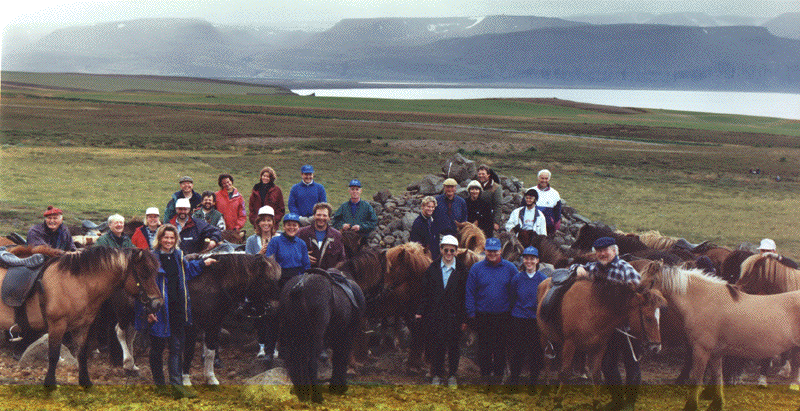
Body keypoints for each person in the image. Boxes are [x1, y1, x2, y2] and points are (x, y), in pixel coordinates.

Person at [136, 224, 216, 399]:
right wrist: (148, 310)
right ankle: (160, 385)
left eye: (172, 238)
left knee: (176, 348)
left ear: (176, 239)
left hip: (178, 309)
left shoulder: (179, 255)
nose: (169, 241)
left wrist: (203, 263)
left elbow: (187, 271)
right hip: (159, 310)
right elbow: (144, 287)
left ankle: (177, 386)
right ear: (159, 238)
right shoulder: (151, 258)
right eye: (166, 237)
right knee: (157, 349)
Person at [573, 236, 641, 411]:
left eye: (605, 250)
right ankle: (617, 401)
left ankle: (630, 403)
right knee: (607, 364)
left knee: (631, 364)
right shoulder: (595, 267)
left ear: (615, 251)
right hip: (606, 329)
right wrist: (578, 268)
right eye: (599, 251)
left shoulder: (626, 270)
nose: (602, 254)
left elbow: (640, 298)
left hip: (627, 328)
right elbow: (575, 268)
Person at [415, 235, 467, 388]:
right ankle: (437, 374)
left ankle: (452, 375)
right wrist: (420, 311)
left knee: (454, 347)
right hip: (436, 314)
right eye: (446, 250)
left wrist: (465, 319)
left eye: (452, 250)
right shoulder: (432, 268)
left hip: (455, 315)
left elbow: (466, 296)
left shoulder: (463, 270)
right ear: (441, 250)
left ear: (456, 251)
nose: (449, 253)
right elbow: (425, 293)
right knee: (437, 345)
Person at [465, 237, 517, 389]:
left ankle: (498, 378)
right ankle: (486, 377)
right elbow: (470, 292)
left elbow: (516, 289)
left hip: (503, 315)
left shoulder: (510, 268)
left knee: (500, 348)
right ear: (485, 251)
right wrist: (471, 313)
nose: (492, 254)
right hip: (483, 315)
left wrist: (514, 311)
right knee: (484, 349)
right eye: (489, 251)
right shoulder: (476, 268)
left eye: (495, 251)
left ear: (500, 251)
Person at [262, 213, 311, 362]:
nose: (291, 227)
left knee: (294, 317)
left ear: (298, 227)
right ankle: (269, 351)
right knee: (274, 316)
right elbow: (269, 261)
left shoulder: (301, 244)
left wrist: (302, 281)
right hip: (279, 280)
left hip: (296, 281)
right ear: (284, 226)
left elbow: (306, 265)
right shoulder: (276, 241)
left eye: (294, 225)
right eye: (288, 224)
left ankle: (287, 351)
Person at [507, 246, 547, 393]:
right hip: (519, 319)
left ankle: (533, 383)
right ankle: (514, 381)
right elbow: (512, 298)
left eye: (532, 258)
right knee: (517, 351)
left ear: (537, 260)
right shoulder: (517, 278)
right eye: (526, 258)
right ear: (523, 260)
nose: (529, 261)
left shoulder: (543, 279)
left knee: (535, 352)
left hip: (535, 320)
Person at [244, 205, 277, 360]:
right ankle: (262, 346)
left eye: (269, 220)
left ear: (273, 222)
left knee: (275, 315)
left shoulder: (279, 238)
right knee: (260, 315)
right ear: (258, 223)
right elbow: (247, 262)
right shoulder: (252, 240)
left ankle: (274, 346)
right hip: (258, 282)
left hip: (274, 281)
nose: (266, 223)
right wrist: (259, 254)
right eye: (263, 220)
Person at [297, 202, 346, 270]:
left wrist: (333, 272)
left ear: (329, 217)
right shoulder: (301, 233)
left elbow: (342, 259)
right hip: (306, 273)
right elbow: (291, 253)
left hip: (329, 275)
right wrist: (303, 256)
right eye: (318, 215)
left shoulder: (337, 235)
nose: (321, 218)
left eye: (324, 215)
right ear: (314, 216)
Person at [533, 169, 562, 238]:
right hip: (532, 227)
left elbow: (557, 212)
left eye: (546, 178)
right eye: (542, 178)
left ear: (549, 179)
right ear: (538, 178)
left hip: (548, 228)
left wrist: (556, 226)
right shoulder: (531, 191)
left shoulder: (555, 194)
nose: (544, 180)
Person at [410, 196, 441, 260]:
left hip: (434, 256)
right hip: (423, 257)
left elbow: (436, 239)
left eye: (433, 207)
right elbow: (415, 243)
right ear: (422, 206)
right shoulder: (418, 223)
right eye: (428, 207)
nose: (431, 209)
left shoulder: (433, 221)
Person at [476, 165, 503, 235]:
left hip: (489, 219)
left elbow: (498, 205)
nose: (481, 176)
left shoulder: (496, 187)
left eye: (483, 174)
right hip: (476, 219)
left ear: (488, 175)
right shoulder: (476, 185)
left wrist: (496, 222)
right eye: (479, 174)